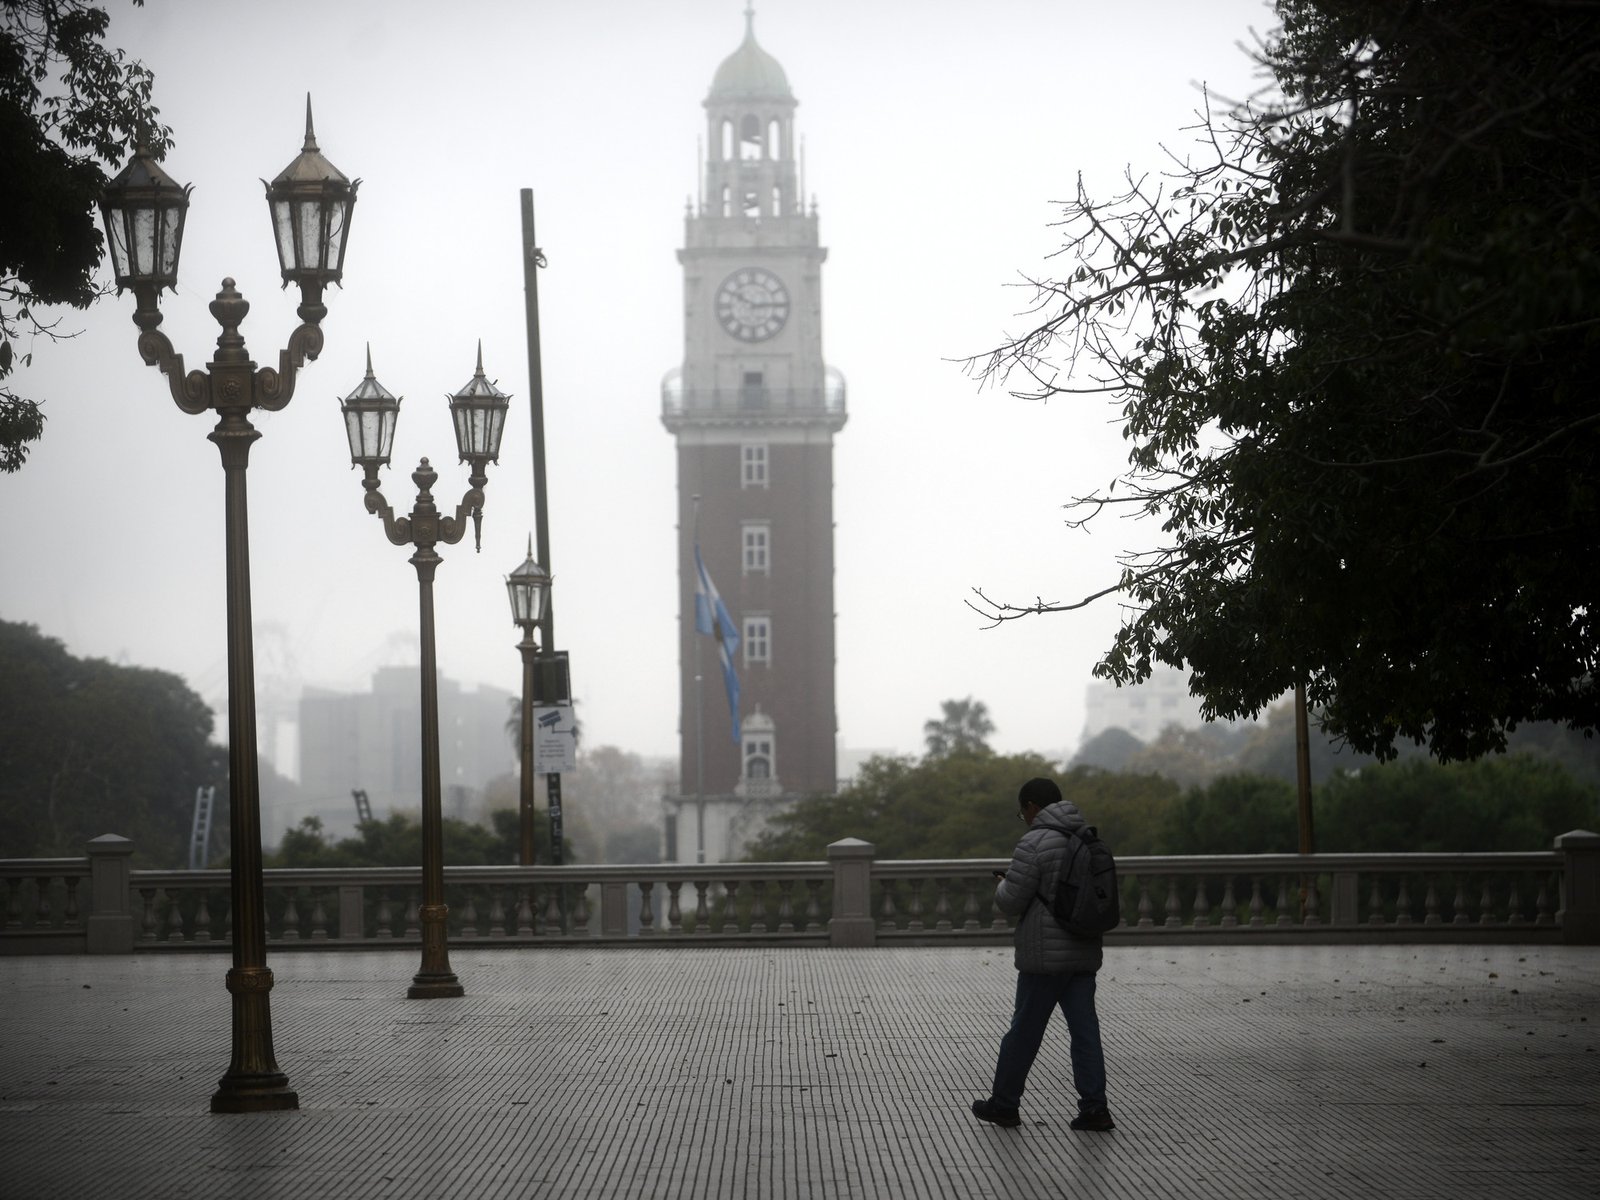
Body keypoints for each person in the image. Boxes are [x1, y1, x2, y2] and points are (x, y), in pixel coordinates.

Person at [971, 776, 1115, 1131]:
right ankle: (1095, 1108)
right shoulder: (1086, 839)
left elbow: (1011, 900)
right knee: (1085, 1031)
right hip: (1082, 950)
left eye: (1023, 812)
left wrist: (1003, 884)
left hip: (1044, 956)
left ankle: (1004, 1103)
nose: (1025, 819)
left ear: (1032, 807)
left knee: (1024, 1031)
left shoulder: (1033, 842)